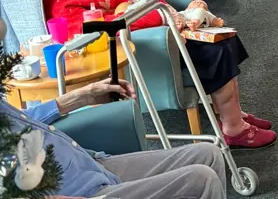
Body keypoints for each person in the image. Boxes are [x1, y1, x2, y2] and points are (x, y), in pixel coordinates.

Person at [28, 0, 276, 149]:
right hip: (147, 43)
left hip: (161, 24)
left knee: (222, 34)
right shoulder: (57, 0)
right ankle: (234, 129)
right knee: (215, 48)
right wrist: (166, 16)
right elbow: (105, 28)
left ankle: (232, 113)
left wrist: (167, 7)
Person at [0, 17, 226, 198]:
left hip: (90, 165)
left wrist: (82, 96)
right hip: (82, 192)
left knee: (208, 154)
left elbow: (20, 120)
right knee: (201, 180)